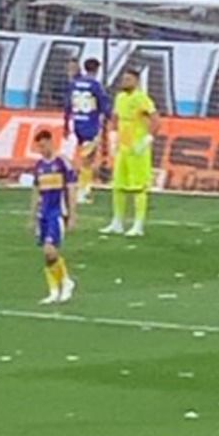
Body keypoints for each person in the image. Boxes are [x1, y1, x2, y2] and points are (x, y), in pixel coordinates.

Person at [100, 68, 160, 237]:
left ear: (136, 81)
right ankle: (117, 221)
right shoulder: (120, 97)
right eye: (123, 79)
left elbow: (156, 119)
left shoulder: (141, 98)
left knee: (138, 187)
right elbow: (115, 118)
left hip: (137, 149)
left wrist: (147, 139)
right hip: (123, 148)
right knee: (118, 185)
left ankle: (138, 224)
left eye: (128, 79)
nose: (124, 82)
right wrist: (113, 135)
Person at [30, 129, 78, 305]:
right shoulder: (39, 167)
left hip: (58, 212)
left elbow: (72, 189)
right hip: (43, 214)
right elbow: (36, 191)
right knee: (47, 254)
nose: (42, 149)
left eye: (44, 145)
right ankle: (53, 291)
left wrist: (73, 215)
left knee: (50, 249)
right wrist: (32, 216)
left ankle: (66, 282)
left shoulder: (62, 163)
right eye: (39, 147)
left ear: (51, 142)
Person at [65, 58, 112, 204]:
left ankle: (79, 189)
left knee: (82, 158)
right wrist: (110, 118)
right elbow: (104, 106)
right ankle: (82, 192)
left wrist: (66, 124)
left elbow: (67, 105)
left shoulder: (74, 84)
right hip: (91, 125)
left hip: (77, 123)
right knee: (88, 161)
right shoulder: (95, 85)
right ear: (97, 69)